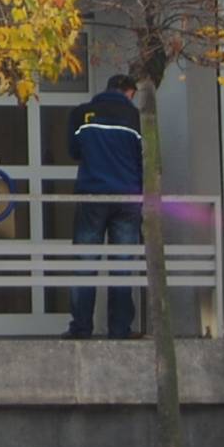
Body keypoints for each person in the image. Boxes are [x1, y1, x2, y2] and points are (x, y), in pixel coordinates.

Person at [66, 74, 147, 339]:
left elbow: (74, 151)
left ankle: (81, 327)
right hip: (127, 198)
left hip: (93, 195)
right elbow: (144, 157)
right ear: (128, 92)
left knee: (85, 262)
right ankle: (119, 329)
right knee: (123, 264)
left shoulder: (82, 114)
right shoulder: (136, 118)